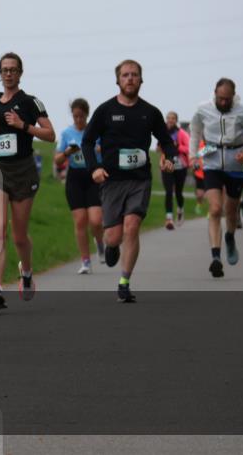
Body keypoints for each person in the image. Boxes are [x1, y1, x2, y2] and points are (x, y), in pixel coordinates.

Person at [81, 59, 176, 303]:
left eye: (134, 75)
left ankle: (124, 282)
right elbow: (88, 141)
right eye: (125, 75)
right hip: (112, 180)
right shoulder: (105, 110)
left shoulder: (150, 112)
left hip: (139, 179)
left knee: (132, 225)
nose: (130, 78)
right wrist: (95, 168)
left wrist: (168, 158)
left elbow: (166, 140)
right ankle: (110, 247)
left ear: (141, 80)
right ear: (118, 80)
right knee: (113, 237)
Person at [0, 52, 55, 309]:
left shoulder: (31, 102)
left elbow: (50, 134)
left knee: (19, 236)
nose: (9, 73)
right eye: (4, 70)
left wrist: (23, 125)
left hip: (23, 171)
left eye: (13, 69)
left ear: (20, 73)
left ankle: (26, 273)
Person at [189, 79, 243, 279]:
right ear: (214, 94)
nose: (223, 102)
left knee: (231, 210)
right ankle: (215, 257)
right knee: (214, 209)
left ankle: (229, 237)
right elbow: (194, 132)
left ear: (233, 96)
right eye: (220, 98)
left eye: (227, 99)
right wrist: (193, 155)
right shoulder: (203, 109)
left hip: (235, 164)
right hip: (212, 161)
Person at [54, 98, 104, 274]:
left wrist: (99, 150)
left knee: (96, 221)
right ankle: (86, 261)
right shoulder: (67, 133)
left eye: (81, 116)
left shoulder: (95, 132)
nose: (78, 120)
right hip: (75, 178)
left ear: (87, 115)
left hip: (93, 176)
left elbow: (108, 153)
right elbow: (57, 159)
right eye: (75, 116)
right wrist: (67, 152)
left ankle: (99, 243)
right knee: (81, 221)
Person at [157, 111, 190, 230]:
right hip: (166, 164)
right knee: (168, 191)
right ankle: (169, 218)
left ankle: (180, 209)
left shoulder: (182, 133)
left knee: (178, 192)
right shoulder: (163, 132)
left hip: (180, 165)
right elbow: (159, 148)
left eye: (173, 118)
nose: (170, 120)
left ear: (176, 120)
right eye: (168, 118)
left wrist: (177, 147)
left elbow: (188, 148)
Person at [193, 137, 207, 215]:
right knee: (200, 194)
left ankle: (211, 211)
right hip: (199, 173)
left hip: (209, 173)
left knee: (209, 194)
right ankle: (199, 204)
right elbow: (196, 156)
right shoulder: (200, 144)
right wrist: (195, 164)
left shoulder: (213, 145)